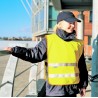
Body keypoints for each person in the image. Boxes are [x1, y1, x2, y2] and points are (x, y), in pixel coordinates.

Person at [4, 11, 88, 97]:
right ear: (60, 24)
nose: (73, 25)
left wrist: (83, 85)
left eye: (73, 23)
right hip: (54, 91)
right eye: (70, 22)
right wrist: (16, 50)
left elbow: (82, 66)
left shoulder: (78, 43)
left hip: (72, 90)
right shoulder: (49, 40)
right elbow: (34, 55)